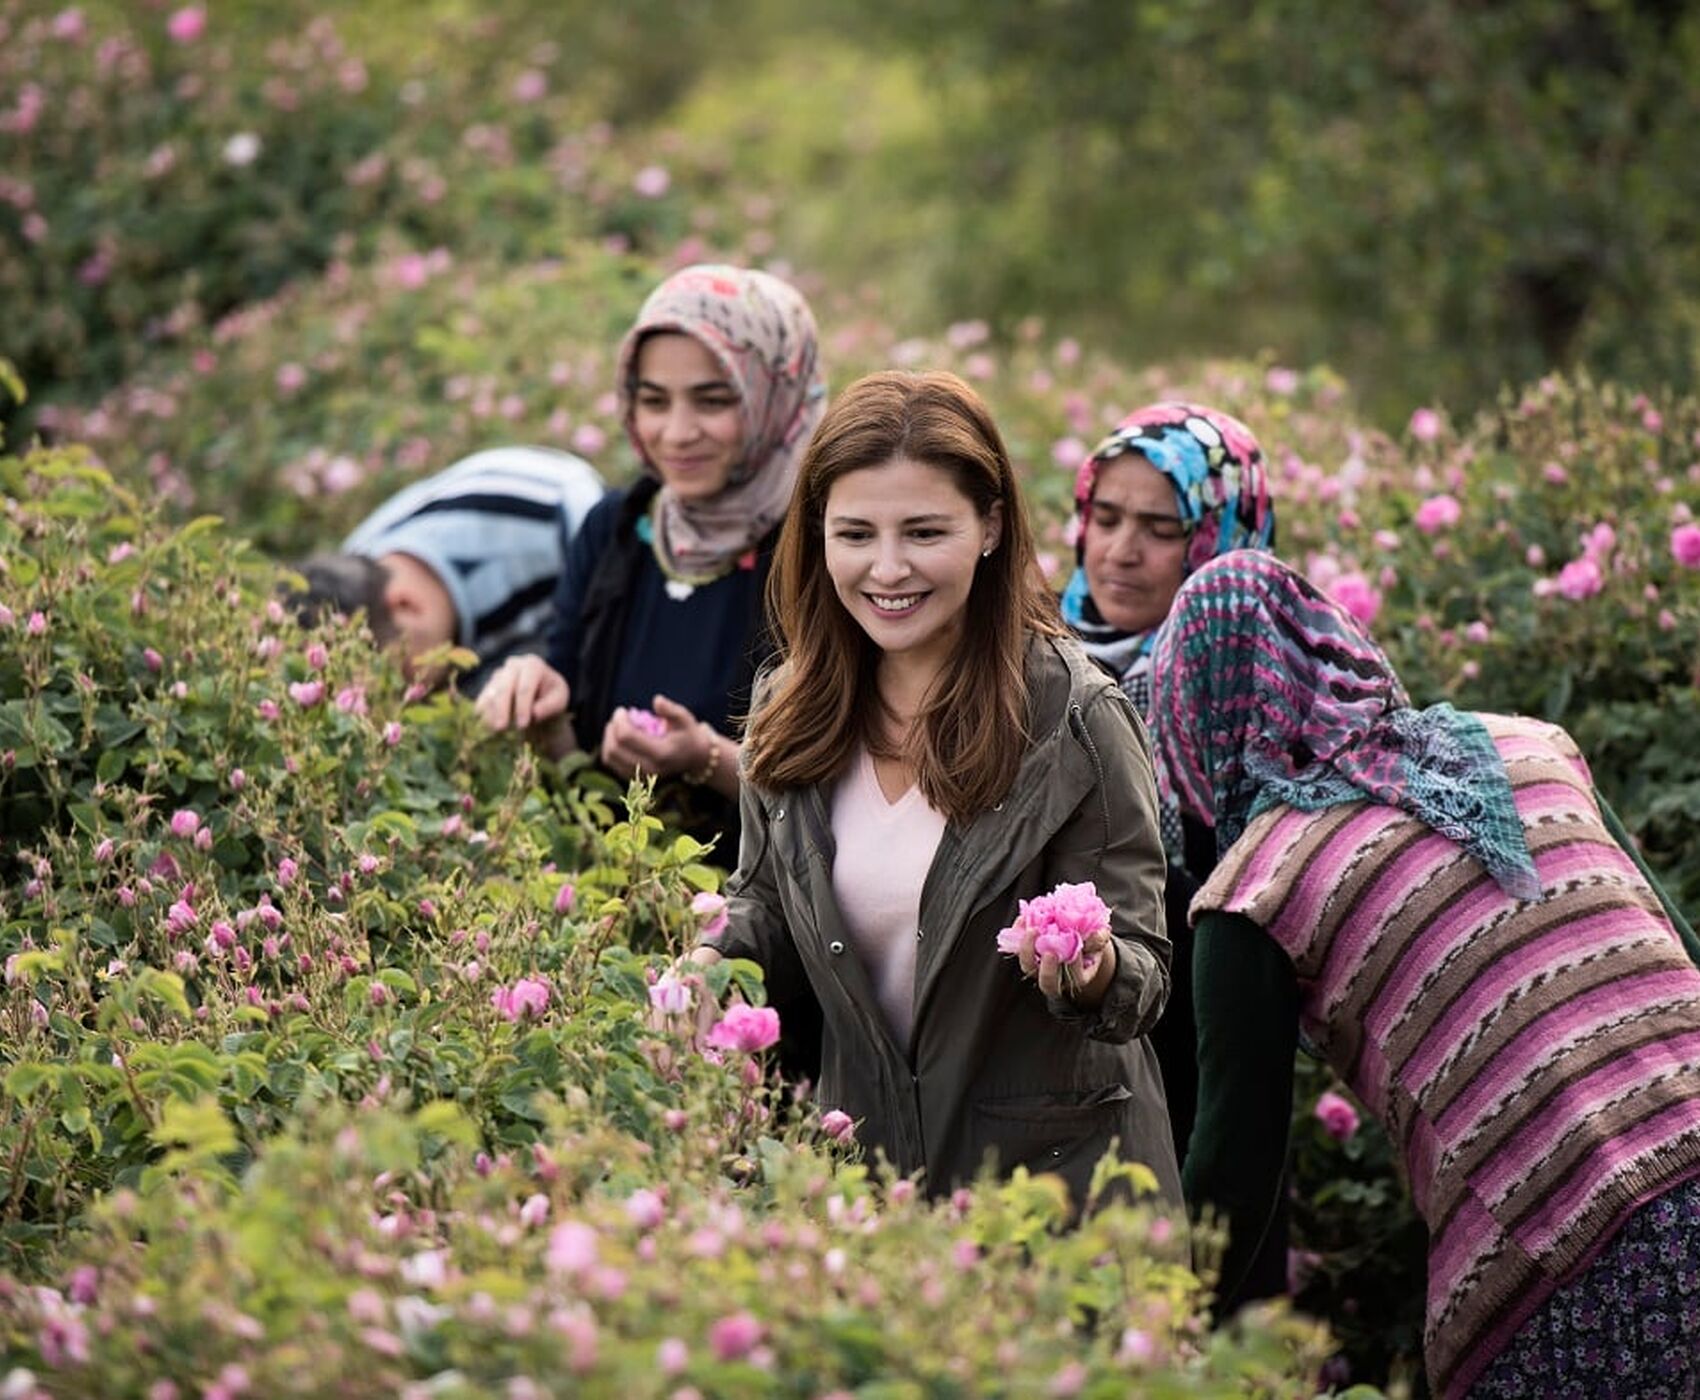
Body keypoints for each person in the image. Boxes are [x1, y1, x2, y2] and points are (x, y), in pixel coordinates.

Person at [1151, 550, 1700, 1399]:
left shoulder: (1253, 893)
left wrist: (1154, 1341)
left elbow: (1233, 1171)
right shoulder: (1533, 745)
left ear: (1190, 718)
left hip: (1577, 1252)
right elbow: (1682, 947)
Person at [692, 370, 1182, 1213]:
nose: (887, 569)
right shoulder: (789, 707)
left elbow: (1145, 973)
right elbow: (767, 901)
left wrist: (1090, 969)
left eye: (924, 531)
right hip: (870, 1183)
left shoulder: (1073, 715)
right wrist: (705, 964)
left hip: (1059, 1199)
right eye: (855, 533)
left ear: (990, 526)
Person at [475, 264, 825, 861]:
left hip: (758, 925)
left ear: (774, 396)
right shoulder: (616, 533)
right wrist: (541, 711)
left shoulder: (821, 546)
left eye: (715, 400)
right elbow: (576, 772)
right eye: (653, 401)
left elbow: (849, 802)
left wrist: (707, 760)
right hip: (616, 904)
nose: (676, 433)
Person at [1061, 401, 1274, 1159]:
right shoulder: (1039, 663)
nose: (1119, 551)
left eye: (1161, 530)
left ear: (1220, 537)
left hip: (1202, 1053)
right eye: (1107, 517)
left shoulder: (1256, 690)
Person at [293, 445, 604, 694]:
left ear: (406, 604)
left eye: (399, 678)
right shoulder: (350, 577)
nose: (397, 704)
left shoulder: (558, 516)